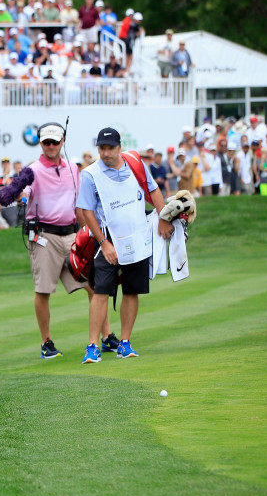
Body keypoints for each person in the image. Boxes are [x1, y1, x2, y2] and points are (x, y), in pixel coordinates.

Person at [76, 127, 173, 364]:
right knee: (100, 292)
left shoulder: (134, 162)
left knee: (132, 290)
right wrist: (103, 242)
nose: (106, 153)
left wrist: (163, 217)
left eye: (110, 148)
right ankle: (92, 346)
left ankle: (125, 342)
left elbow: (153, 189)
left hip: (138, 237)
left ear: (119, 147)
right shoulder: (90, 174)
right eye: (102, 148)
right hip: (109, 239)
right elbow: (86, 211)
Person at [20, 123, 115, 359]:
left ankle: (106, 336)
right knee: (43, 290)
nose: (51, 146)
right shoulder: (32, 170)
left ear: (63, 141)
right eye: (46, 142)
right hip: (44, 235)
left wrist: (87, 232)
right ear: (41, 144)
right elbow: (24, 193)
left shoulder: (73, 168)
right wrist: (19, 194)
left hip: (72, 234)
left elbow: (80, 204)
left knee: (95, 285)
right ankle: (46, 342)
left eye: (55, 142)